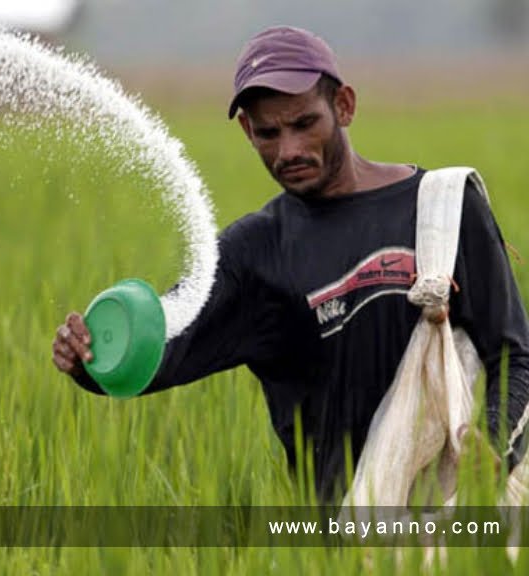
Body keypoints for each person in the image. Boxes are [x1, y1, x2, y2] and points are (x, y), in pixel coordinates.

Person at [51, 25, 529, 503]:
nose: (289, 151)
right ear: (246, 130)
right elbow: (164, 346)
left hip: (457, 517)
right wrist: (90, 358)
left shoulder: (443, 209)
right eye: (268, 133)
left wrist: (491, 450)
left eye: (304, 124)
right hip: (343, 540)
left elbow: (516, 357)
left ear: (343, 105)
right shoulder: (254, 254)